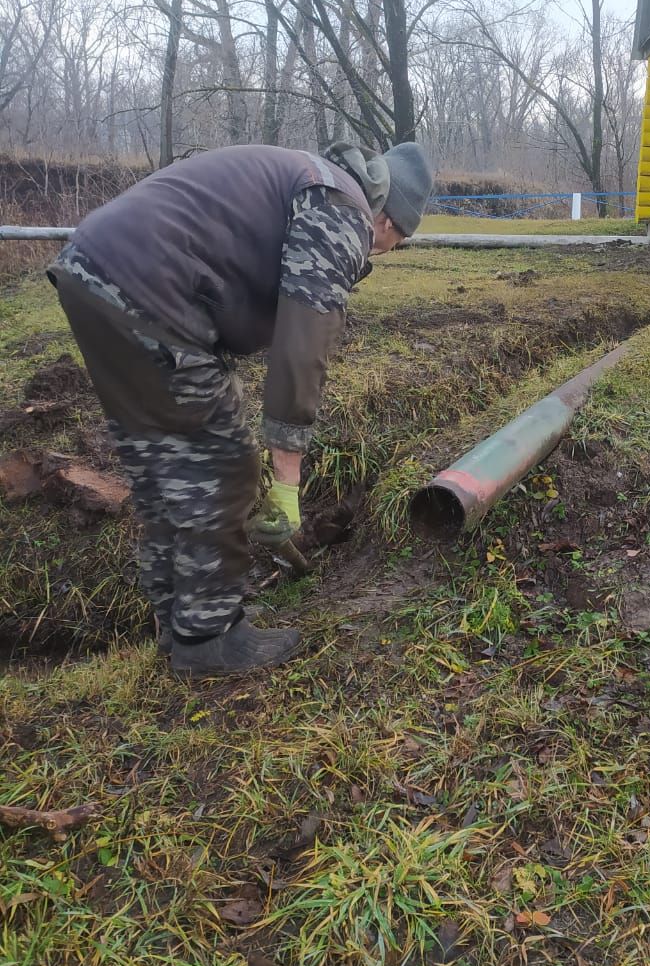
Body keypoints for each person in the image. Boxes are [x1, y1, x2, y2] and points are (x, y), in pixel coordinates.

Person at [48, 140, 434, 677]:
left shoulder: (306, 176)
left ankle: (177, 626)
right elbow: (303, 344)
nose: (378, 253)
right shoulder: (343, 207)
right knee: (224, 464)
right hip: (148, 290)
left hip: (92, 272)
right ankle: (209, 638)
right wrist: (284, 480)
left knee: (164, 470)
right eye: (391, 244)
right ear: (389, 222)